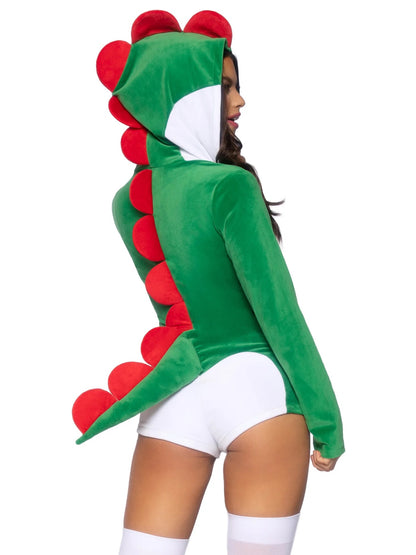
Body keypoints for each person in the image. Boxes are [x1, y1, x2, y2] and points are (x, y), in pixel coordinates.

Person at [72, 10, 344, 554]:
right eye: (224, 87)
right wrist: (327, 418)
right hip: (259, 394)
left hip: (175, 393)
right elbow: (278, 313)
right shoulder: (228, 187)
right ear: (183, 96)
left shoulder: (128, 202)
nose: (239, 102)